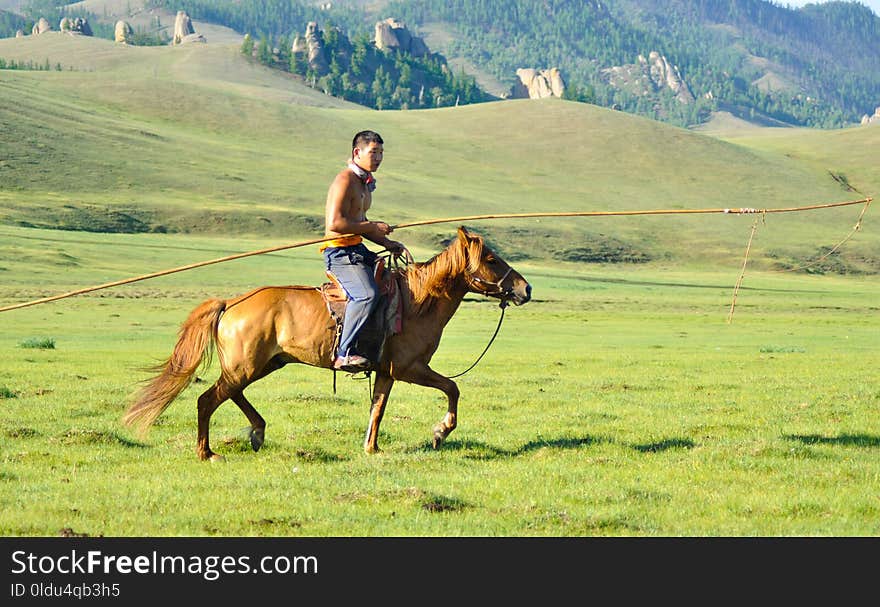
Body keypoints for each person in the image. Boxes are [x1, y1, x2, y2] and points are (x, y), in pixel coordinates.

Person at [321, 130, 405, 372]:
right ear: (357, 153)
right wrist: (372, 226)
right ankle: (343, 353)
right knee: (367, 294)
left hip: (356, 247)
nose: (378, 158)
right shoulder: (345, 180)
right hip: (339, 253)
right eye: (373, 152)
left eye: (381, 153)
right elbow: (334, 224)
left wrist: (388, 244)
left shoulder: (364, 183)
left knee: (393, 283)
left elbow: (359, 222)